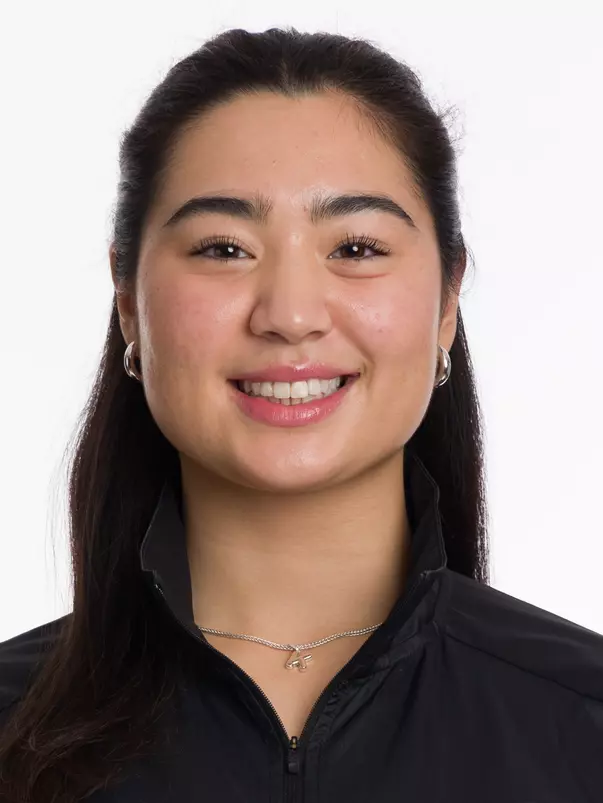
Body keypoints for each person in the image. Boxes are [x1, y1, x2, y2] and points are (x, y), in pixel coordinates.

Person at [0, 26, 601, 803]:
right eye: (223, 248)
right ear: (128, 302)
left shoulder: (581, 726)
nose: (288, 314)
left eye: (354, 247)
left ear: (448, 300)